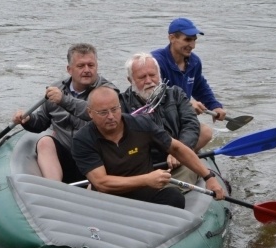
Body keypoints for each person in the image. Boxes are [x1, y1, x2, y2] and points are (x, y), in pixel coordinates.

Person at [72, 86, 225, 209]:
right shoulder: (82, 139)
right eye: (103, 112)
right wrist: (146, 179)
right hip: (108, 199)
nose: (111, 116)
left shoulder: (141, 124)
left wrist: (208, 177)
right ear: (90, 113)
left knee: (174, 197)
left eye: (115, 109)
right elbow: (102, 183)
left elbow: (177, 149)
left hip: (144, 194)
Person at [12, 43, 117, 183]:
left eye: (91, 65)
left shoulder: (108, 90)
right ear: (69, 69)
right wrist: (28, 120)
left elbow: (97, 112)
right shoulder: (56, 88)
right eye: (81, 66)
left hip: (96, 156)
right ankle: (55, 189)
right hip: (65, 156)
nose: (87, 70)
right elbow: (41, 123)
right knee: (44, 142)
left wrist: (64, 100)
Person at [151, 17, 227, 123]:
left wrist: (214, 106)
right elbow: (153, 95)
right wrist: (186, 103)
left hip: (180, 116)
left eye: (194, 40)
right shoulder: (154, 62)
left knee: (206, 133)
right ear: (172, 38)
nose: (192, 46)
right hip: (156, 118)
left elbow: (200, 87)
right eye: (187, 40)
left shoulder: (194, 62)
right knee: (205, 133)